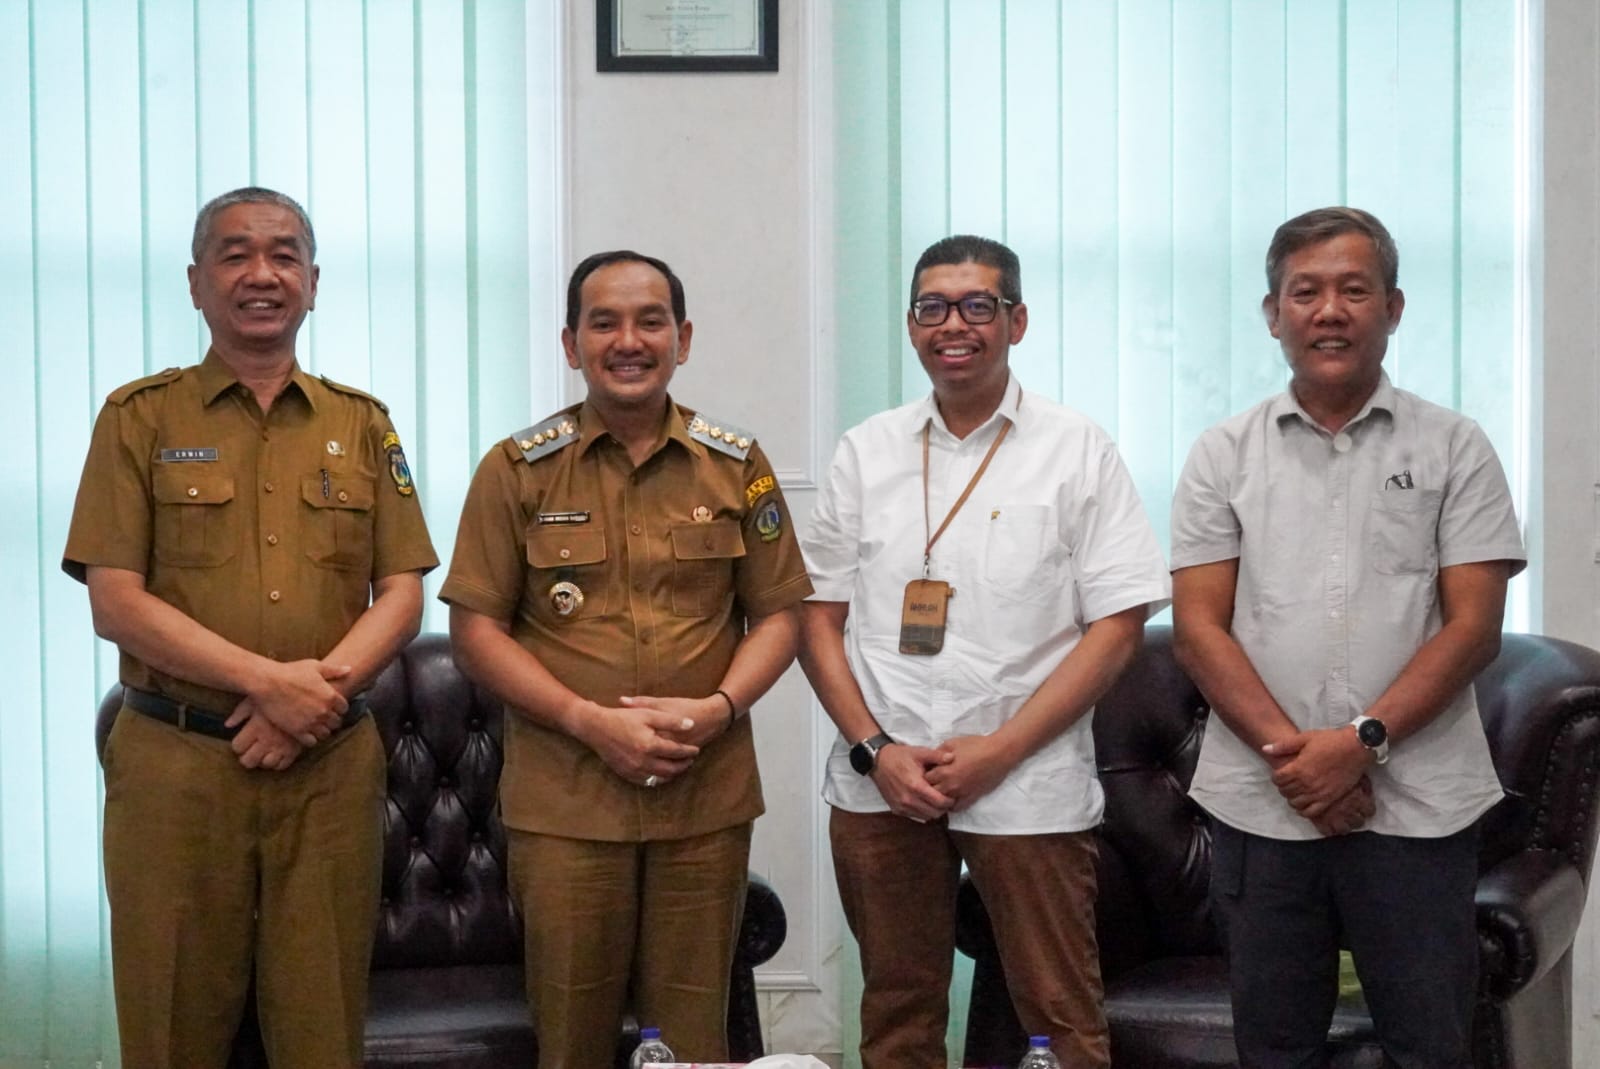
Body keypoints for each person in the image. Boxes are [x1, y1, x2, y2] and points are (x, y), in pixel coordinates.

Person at [63, 186, 438, 1067]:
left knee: (322, 1024)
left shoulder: (363, 423)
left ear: (313, 281)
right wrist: (269, 684)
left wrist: (318, 695)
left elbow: (403, 591)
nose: (260, 274)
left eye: (283, 255)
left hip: (328, 764)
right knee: (172, 1025)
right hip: (175, 767)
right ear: (197, 283)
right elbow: (115, 600)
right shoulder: (138, 419)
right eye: (234, 255)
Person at [799, 235, 1170, 1069]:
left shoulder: (1077, 448)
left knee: (1059, 1014)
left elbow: (1119, 621)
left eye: (977, 305)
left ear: (1017, 320)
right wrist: (874, 750)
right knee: (897, 1014)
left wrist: (1001, 750)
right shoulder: (868, 449)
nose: (953, 325)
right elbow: (815, 617)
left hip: (1026, 780)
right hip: (880, 784)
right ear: (911, 325)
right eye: (933, 307)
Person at [1170, 207, 1525, 1068]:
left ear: (1393, 308)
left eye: (1353, 289)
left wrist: (1361, 744)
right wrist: (1303, 761)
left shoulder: (1455, 446)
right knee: (1274, 1046)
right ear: (1273, 313)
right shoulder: (1223, 453)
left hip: (1417, 805)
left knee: (1428, 1045)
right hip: (1264, 802)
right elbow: (1198, 626)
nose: (1329, 309)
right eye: (1306, 292)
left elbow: (1474, 627)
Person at [440, 250, 812, 1068]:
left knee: (693, 1040)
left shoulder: (736, 464)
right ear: (571, 344)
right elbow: (476, 631)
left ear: (682, 337)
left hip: (702, 799)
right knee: (570, 1039)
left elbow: (781, 613)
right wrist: (587, 721)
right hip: (567, 804)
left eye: (650, 321)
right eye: (603, 322)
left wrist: (716, 709)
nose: (628, 339)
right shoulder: (516, 471)